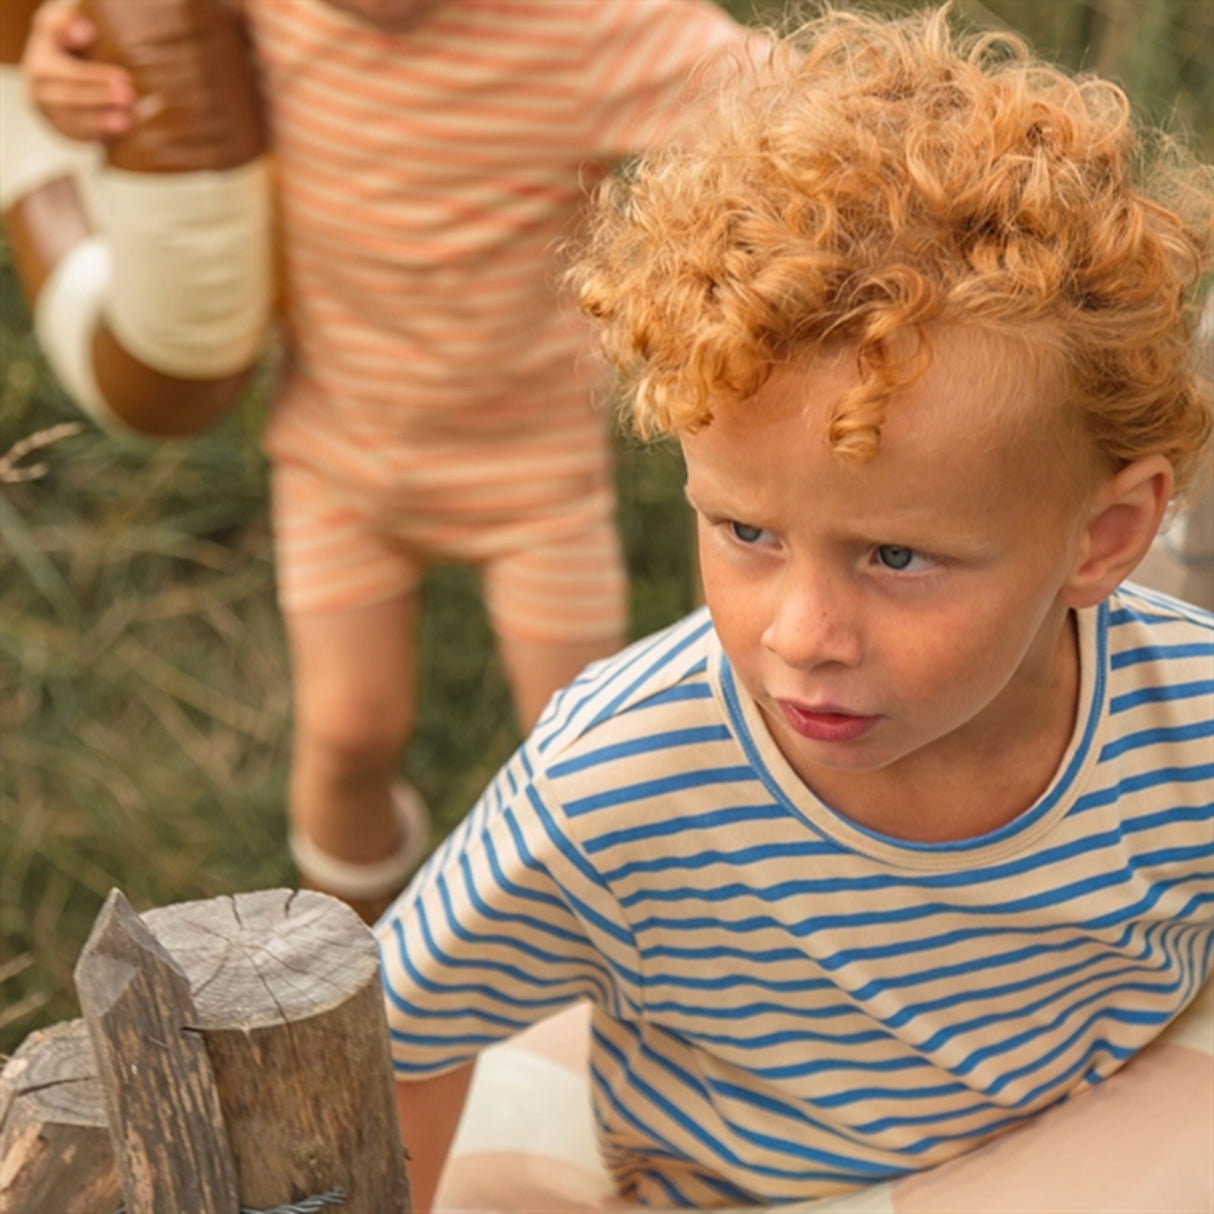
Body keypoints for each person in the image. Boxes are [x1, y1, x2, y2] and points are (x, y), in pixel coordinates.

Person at [370, 4, 1214, 1209]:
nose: (801, 633)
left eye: (896, 557)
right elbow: (398, 1033)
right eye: (746, 533)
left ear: (1105, 537)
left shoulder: (1187, 720)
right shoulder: (614, 781)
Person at [21, 0, 749, 922]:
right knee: (347, 736)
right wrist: (59, 66)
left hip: (534, 485)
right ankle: (335, 964)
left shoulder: (585, 29)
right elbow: (101, 40)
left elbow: (790, 100)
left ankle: (596, 971)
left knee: (589, 763)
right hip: (337, 466)